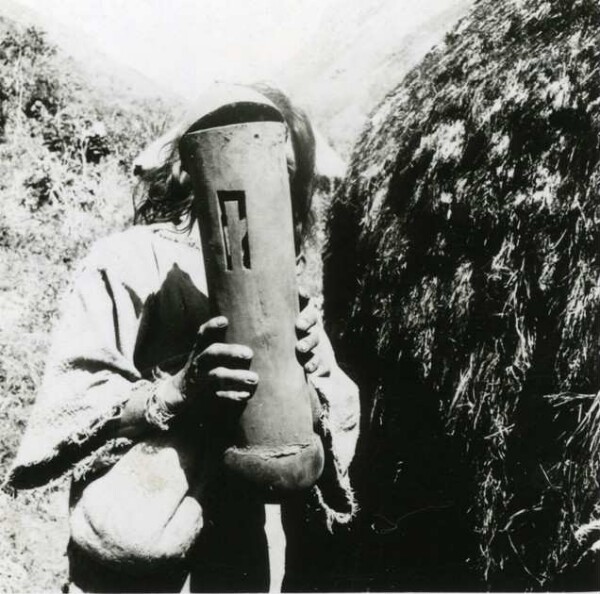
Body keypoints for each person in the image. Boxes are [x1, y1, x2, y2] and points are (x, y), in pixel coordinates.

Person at [4, 82, 360, 592]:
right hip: (135, 548)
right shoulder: (125, 260)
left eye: (281, 170)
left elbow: (334, 415)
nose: (261, 183)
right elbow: (75, 405)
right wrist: (177, 390)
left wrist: (307, 378)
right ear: (190, 167)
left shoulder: (285, 283)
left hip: (238, 558)